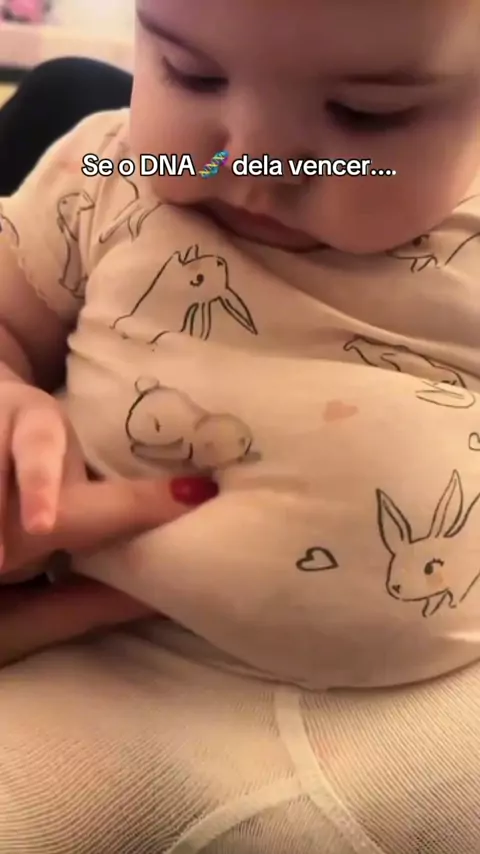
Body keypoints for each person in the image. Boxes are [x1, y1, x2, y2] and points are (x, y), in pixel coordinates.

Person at [0, 0, 480, 850]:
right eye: (192, 74)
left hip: (432, 730)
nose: (252, 162)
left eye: (364, 114)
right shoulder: (107, 174)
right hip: (100, 685)